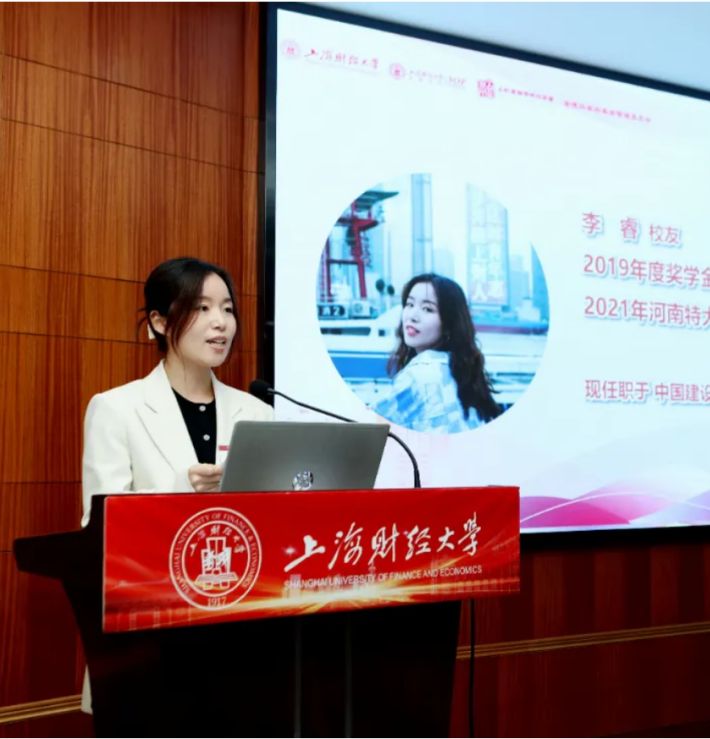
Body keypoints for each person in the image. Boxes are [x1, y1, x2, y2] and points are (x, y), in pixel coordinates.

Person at [80, 257, 273, 713]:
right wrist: (180, 490)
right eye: (202, 308)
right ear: (160, 322)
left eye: (227, 308)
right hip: (150, 635)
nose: (220, 322)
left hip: (241, 632)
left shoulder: (258, 412)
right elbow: (97, 527)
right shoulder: (116, 409)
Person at [371, 273, 501, 434]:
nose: (412, 316)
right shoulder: (459, 371)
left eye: (427, 309)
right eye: (410, 304)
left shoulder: (419, 374)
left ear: (448, 324)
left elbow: (362, 427)